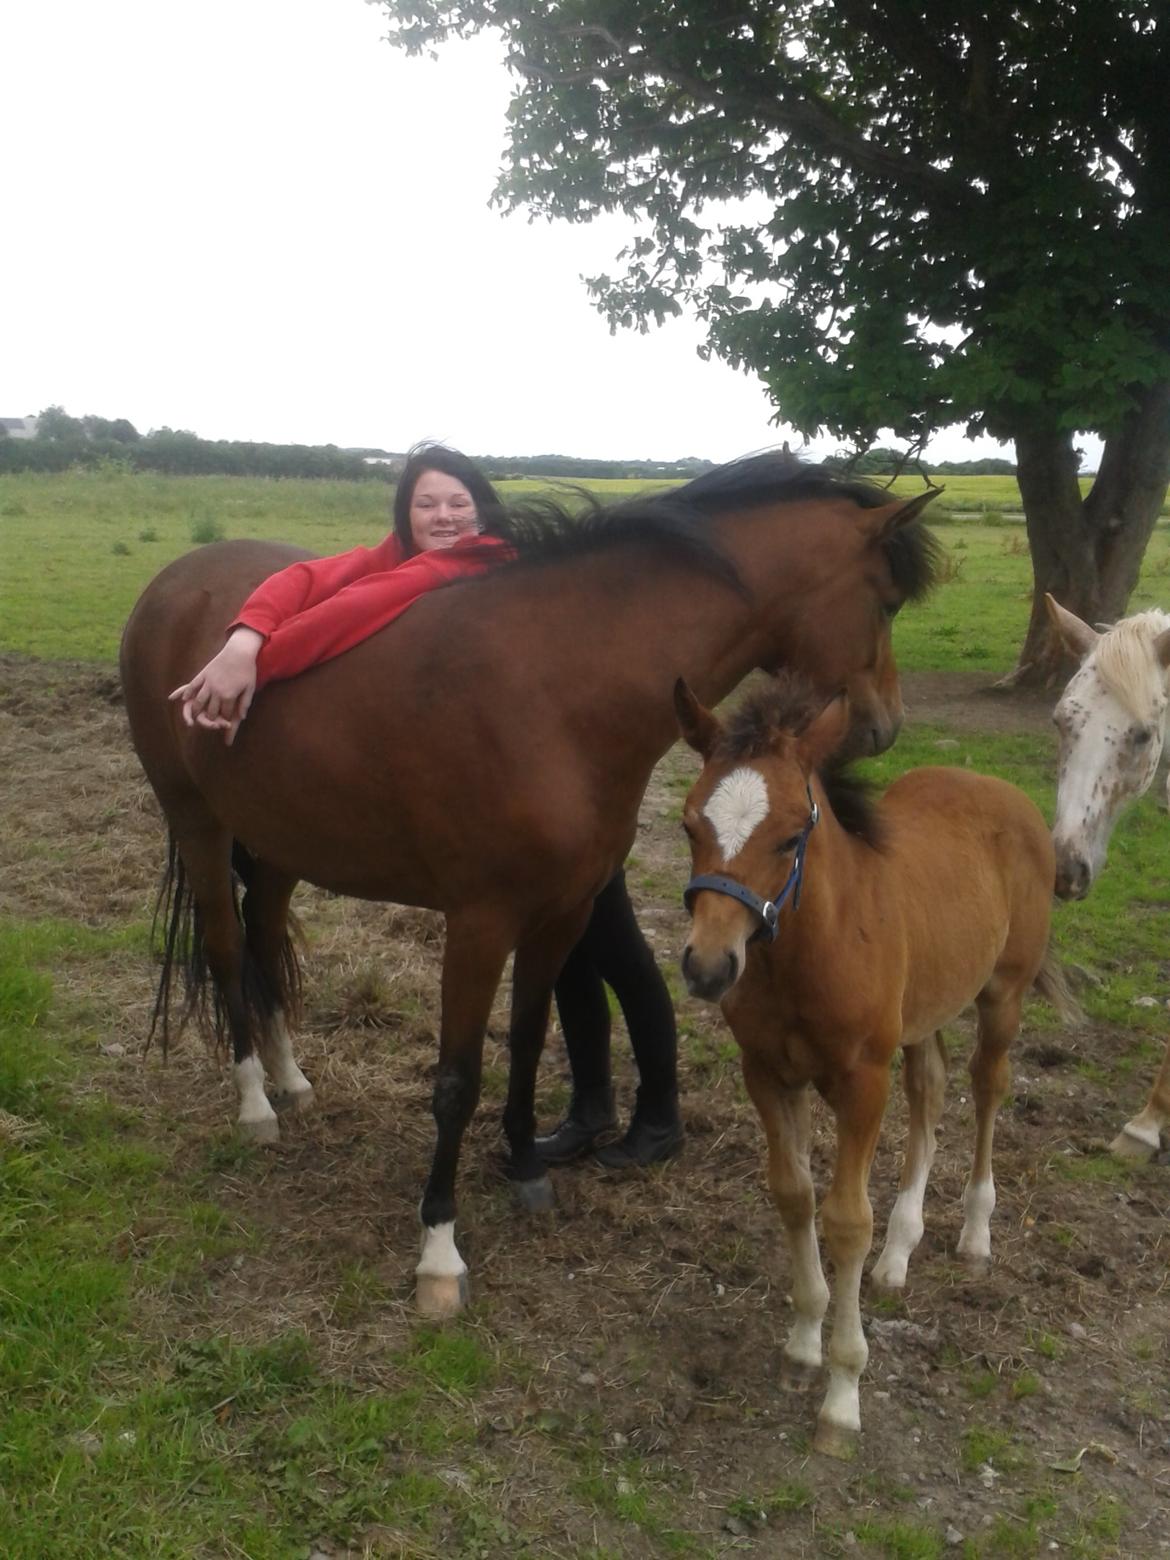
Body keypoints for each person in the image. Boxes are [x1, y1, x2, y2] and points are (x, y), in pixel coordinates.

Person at [170, 442, 683, 1168]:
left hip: (566, 793)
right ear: (406, 515)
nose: (444, 516)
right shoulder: (404, 562)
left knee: (619, 951)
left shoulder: (487, 566)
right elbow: (315, 580)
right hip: (526, 795)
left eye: (457, 501)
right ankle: (594, 1106)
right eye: (427, 503)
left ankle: (658, 1115)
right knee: (571, 961)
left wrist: (254, 662)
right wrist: (246, 634)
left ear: (482, 505)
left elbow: (341, 616)